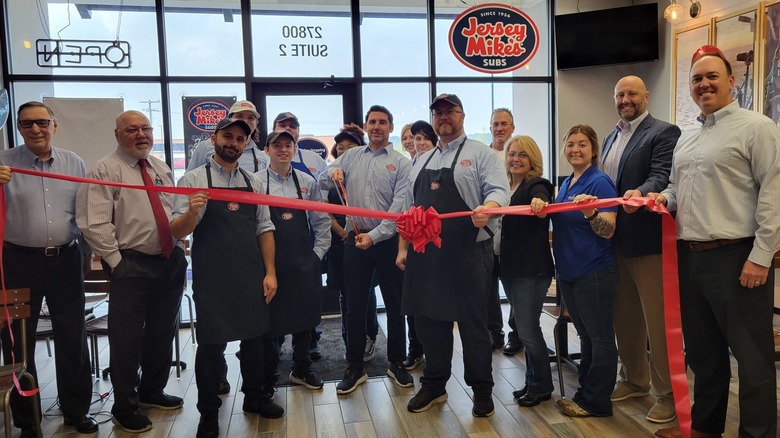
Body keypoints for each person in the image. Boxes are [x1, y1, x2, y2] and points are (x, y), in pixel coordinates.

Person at [650, 45, 779, 438]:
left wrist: (761, 256)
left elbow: (774, 193)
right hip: (690, 258)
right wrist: (663, 199)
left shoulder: (757, 128)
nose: (704, 84)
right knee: (704, 353)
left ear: (731, 81)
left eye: (712, 77)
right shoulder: (686, 139)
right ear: (690, 88)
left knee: (752, 358)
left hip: (738, 257)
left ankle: (757, 434)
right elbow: (675, 187)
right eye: (696, 79)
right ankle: (705, 428)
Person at [397, 94, 509, 417]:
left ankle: (482, 390)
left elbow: (499, 192)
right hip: (425, 255)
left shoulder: (481, 154)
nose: (444, 117)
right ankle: (434, 385)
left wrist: (488, 209)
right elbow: (408, 209)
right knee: (429, 324)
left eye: (450, 111)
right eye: (438, 113)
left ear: (462, 115)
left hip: (468, 253)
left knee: (473, 325)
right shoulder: (421, 160)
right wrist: (403, 246)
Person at [77, 110, 189, 433]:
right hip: (130, 264)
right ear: (117, 135)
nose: (140, 135)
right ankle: (125, 406)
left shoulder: (160, 168)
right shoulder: (104, 170)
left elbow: (173, 211)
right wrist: (116, 263)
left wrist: (178, 249)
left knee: (162, 331)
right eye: (131, 130)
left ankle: (152, 391)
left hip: (169, 261)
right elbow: (94, 224)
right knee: (125, 340)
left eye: (145, 129)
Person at [171, 118, 283, 438]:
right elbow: (176, 231)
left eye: (239, 139)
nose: (233, 143)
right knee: (210, 347)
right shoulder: (193, 179)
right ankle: (208, 413)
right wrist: (192, 212)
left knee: (255, 343)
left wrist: (270, 272)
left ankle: (255, 398)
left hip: (251, 275)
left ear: (246, 144)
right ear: (214, 137)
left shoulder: (253, 182)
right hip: (213, 278)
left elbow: (265, 229)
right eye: (227, 136)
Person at [0, 101, 97, 437]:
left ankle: (76, 411)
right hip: (17, 262)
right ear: (20, 129)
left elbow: (83, 211)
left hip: (65, 259)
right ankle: (28, 420)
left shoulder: (74, 162)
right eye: (27, 124)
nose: (35, 130)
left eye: (42, 122)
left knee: (72, 335)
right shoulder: (3, 164)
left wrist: (88, 252)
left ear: (54, 125)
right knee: (18, 342)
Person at [319, 105, 413, 395]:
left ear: (390, 127)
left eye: (383, 122)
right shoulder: (351, 156)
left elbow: (400, 208)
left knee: (397, 306)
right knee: (354, 306)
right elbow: (321, 181)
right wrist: (332, 171)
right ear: (366, 125)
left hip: (386, 243)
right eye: (372, 122)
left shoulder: (401, 164)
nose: (377, 126)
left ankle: (396, 362)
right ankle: (355, 366)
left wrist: (375, 235)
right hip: (355, 241)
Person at [602, 75, 680, 424]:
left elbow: (662, 175)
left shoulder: (664, 132)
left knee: (658, 323)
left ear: (646, 96)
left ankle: (668, 395)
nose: (625, 99)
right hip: (615, 243)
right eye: (620, 94)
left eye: (632, 93)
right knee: (626, 319)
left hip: (649, 243)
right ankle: (634, 380)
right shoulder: (609, 137)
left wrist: (641, 192)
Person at [533, 124, 618, 418]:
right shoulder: (568, 183)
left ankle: (596, 402)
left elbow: (607, 231)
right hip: (569, 272)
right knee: (586, 338)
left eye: (582, 144)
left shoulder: (600, 182)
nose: (575, 150)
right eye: (570, 144)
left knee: (601, 339)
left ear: (593, 150)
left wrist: (591, 212)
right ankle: (585, 394)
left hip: (594, 271)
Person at [258, 130, 330, 392]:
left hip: (303, 263)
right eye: (277, 145)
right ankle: (268, 376)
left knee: (304, 320)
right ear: (267, 150)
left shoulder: (306, 182)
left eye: (288, 145)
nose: (283, 150)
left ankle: (302, 369)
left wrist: (316, 256)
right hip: (268, 266)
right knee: (269, 324)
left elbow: (322, 221)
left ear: (294, 149)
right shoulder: (255, 182)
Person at [498, 135, 555, 408]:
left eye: (522, 154)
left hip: (531, 270)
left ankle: (542, 386)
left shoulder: (537, 184)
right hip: (510, 268)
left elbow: (541, 202)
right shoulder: (506, 188)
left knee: (529, 331)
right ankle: (533, 381)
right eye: (512, 154)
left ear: (532, 159)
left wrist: (539, 205)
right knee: (523, 328)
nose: (515, 159)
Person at [328, 127, 381, 361]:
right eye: (341, 148)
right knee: (344, 294)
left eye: (351, 147)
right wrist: (343, 232)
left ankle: (369, 337)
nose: (345, 151)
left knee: (366, 292)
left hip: (368, 240)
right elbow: (323, 209)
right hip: (342, 241)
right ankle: (349, 338)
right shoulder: (331, 174)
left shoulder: (365, 174)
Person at [400, 119, 438, 371]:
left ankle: (435, 354)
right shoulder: (409, 170)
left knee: (433, 304)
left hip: (437, 245)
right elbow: (405, 212)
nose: (419, 142)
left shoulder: (441, 167)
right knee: (413, 302)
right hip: (414, 245)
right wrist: (402, 248)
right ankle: (416, 349)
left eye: (425, 137)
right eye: (416, 138)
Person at [487, 108, 521, 354]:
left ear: (512, 127)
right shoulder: (483, 156)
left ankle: (516, 334)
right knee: (488, 288)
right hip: (488, 234)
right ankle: (494, 332)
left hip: (512, 235)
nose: (500, 128)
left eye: (504, 124)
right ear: (490, 128)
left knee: (513, 287)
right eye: (496, 124)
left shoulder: (518, 156)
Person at [187, 100, 269, 172]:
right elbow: (191, 180)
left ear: (256, 123)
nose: (245, 121)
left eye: (251, 118)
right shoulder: (205, 147)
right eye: (239, 116)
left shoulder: (261, 156)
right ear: (230, 119)